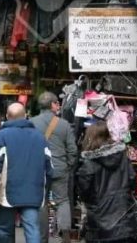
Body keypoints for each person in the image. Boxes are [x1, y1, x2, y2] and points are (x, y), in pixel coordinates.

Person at [0, 103, 51, 243]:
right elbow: (49, 167)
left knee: (4, 229)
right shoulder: (40, 137)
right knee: (32, 229)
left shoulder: (1, 136)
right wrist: (45, 188)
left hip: (8, 192)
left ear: (7, 117)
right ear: (25, 115)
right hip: (33, 191)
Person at [76, 122, 137, 243]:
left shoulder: (88, 164)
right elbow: (133, 181)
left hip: (99, 223)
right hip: (124, 220)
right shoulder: (123, 159)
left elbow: (84, 192)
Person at [31, 92, 79, 242]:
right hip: (59, 168)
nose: (58, 105)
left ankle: (42, 238)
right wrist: (68, 166)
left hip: (39, 169)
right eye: (57, 103)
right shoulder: (64, 124)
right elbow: (73, 150)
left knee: (41, 202)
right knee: (63, 201)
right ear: (52, 105)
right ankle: (65, 237)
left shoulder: (31, 123)